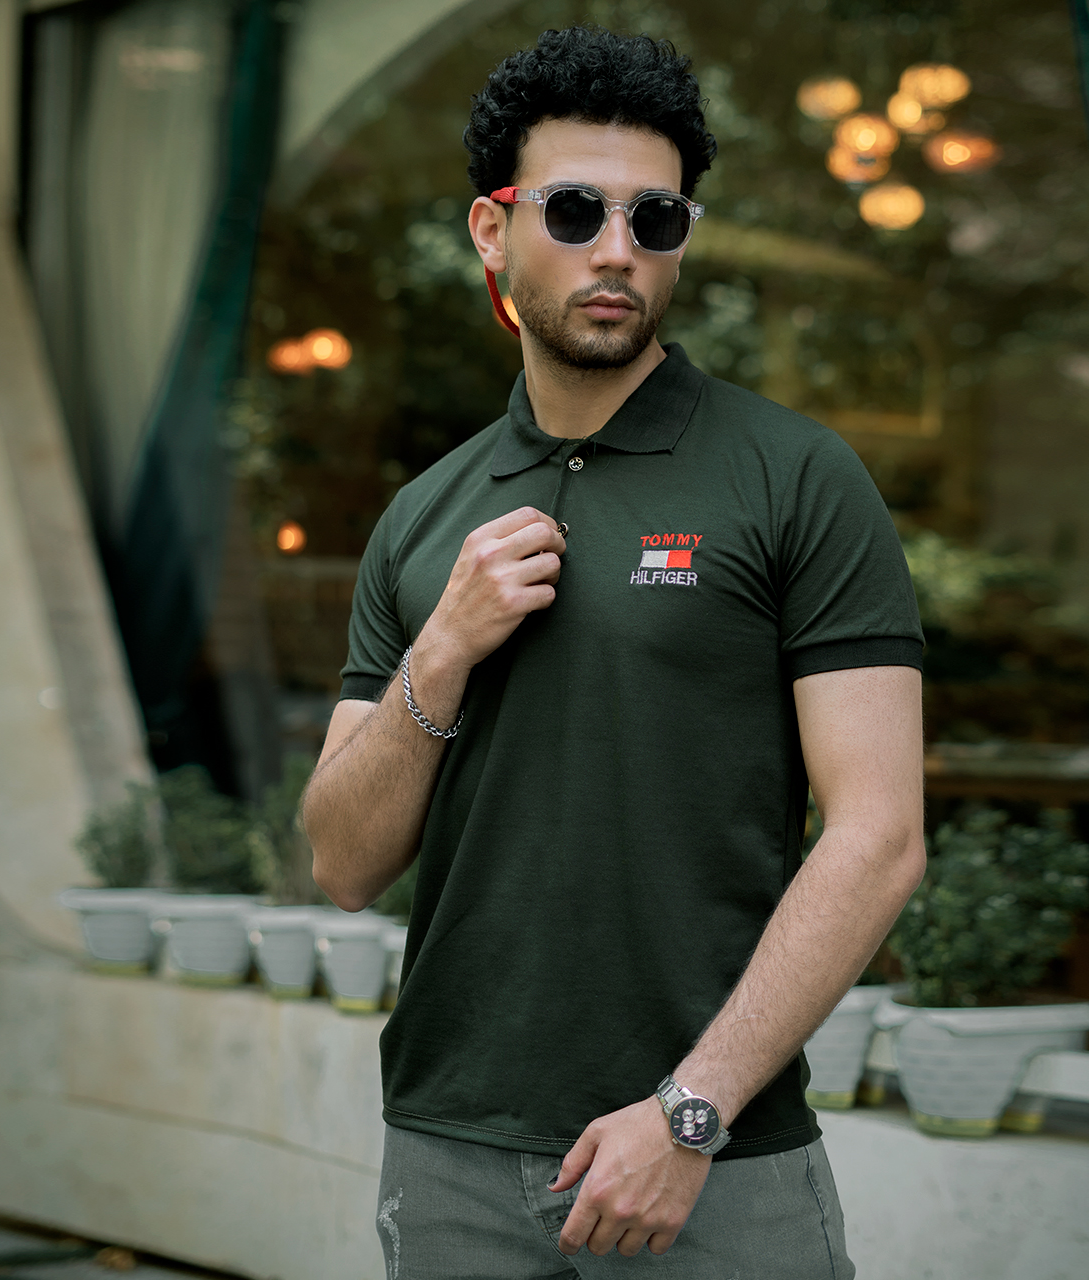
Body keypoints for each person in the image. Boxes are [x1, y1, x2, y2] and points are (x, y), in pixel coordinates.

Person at [303, 25, 926, 1279]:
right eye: (576, 209)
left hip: (714, 1167)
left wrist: (690, 1110)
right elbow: (342, 860)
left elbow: (878, 836)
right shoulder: (425, 516)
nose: (616, 250)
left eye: (657, 219)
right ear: (491, 229)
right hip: (449, 1151)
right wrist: (443, 648)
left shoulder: (795, 477)